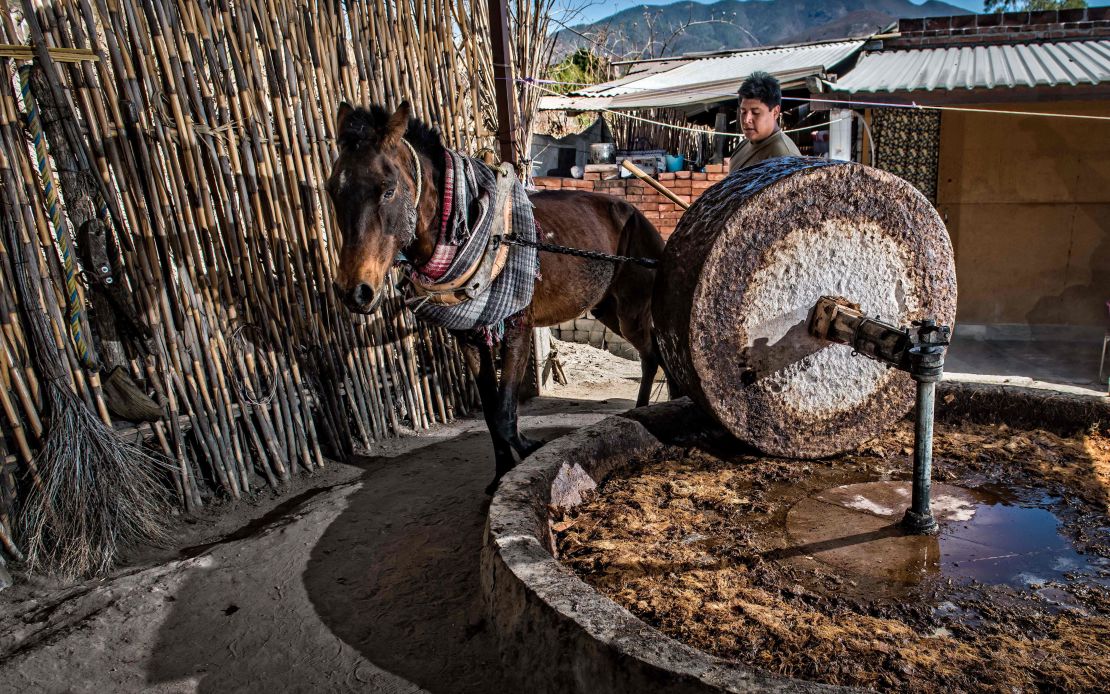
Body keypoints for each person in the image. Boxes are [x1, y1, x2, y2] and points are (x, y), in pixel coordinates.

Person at [728, 71, 801, 173]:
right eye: (743, 112)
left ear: (775, 112)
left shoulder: (785, 159)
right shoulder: (742, 146)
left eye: (755, 112)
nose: (746, 119)